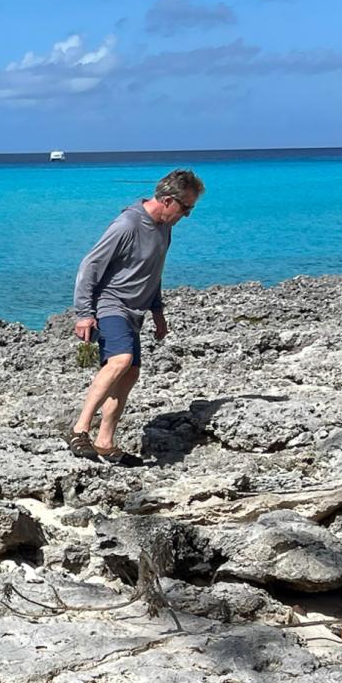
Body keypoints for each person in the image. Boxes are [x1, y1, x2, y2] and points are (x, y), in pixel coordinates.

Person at [67, 169, 205, 466]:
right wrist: (84, 314)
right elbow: (89, 266)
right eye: (186, 208)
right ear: (168, 201)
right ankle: (79, 430)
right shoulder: (127, 224)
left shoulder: (164, 226)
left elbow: (153, 271)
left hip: (137, 310)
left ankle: (105, 441)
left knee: (130, 373)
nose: (188, 215)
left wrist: (158, 313)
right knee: (120, 361)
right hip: (110, 303)